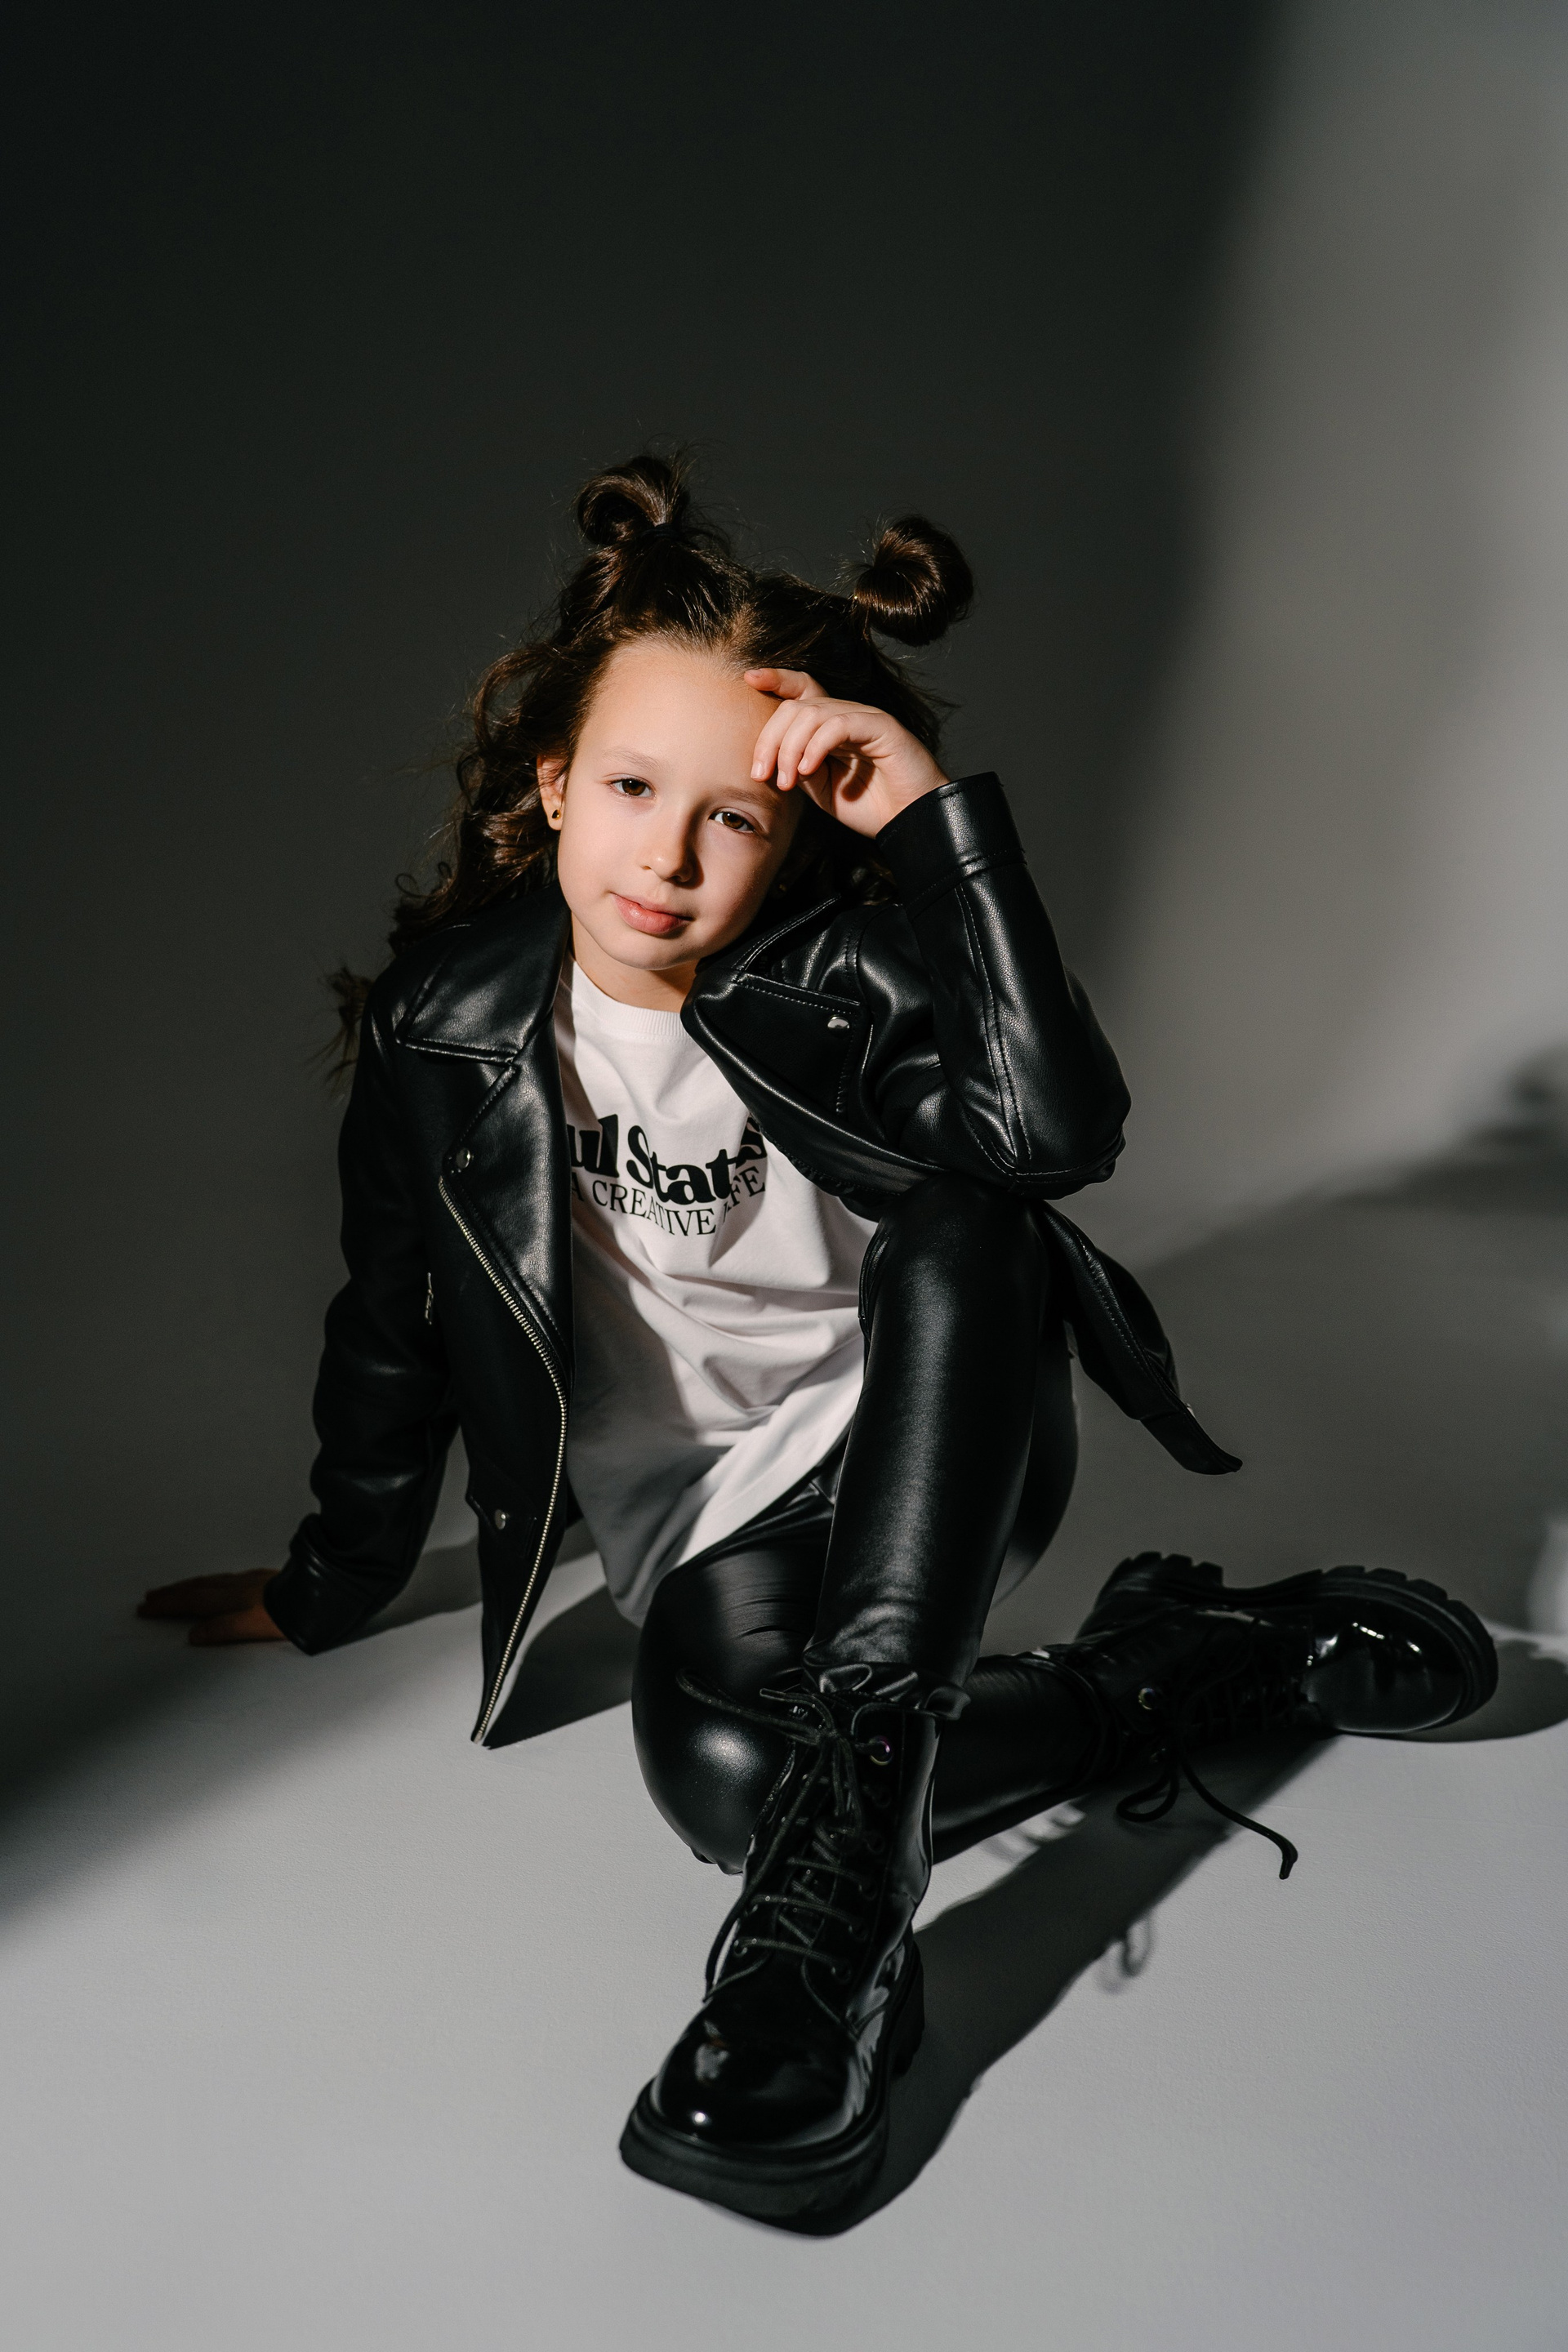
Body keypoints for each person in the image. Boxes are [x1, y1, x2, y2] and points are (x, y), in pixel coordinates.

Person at [140, 454, 1497, 2226]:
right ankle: (1192, 1668)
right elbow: (390, 1316)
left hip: (933, 1434)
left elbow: (1049, 1138)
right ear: (554, 786)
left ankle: (820, 1968)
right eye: (632, 788)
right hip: (714, 1515)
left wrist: (938, 834)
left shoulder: (846, 972)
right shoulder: (448, 1030)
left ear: (791, 837)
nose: (668, 855)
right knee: (729, 1781)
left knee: (968, 1209)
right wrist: (332, 1579)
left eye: (733, 817)